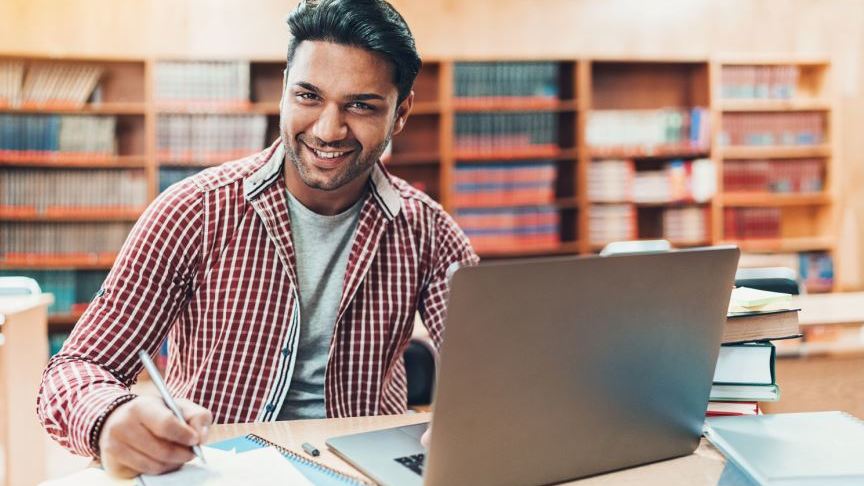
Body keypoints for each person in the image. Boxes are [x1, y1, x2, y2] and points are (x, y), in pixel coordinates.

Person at [37, 0, 477, 477]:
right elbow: (76, 368)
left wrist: (481, 414)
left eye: (361, 105)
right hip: (216, 470)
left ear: (401, 112)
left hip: (367, 472)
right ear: (286, 88)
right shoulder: (192, 211)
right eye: (309, 96)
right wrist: (109, 419)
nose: (328, 130)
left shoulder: (428, 231)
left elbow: (494, 367)